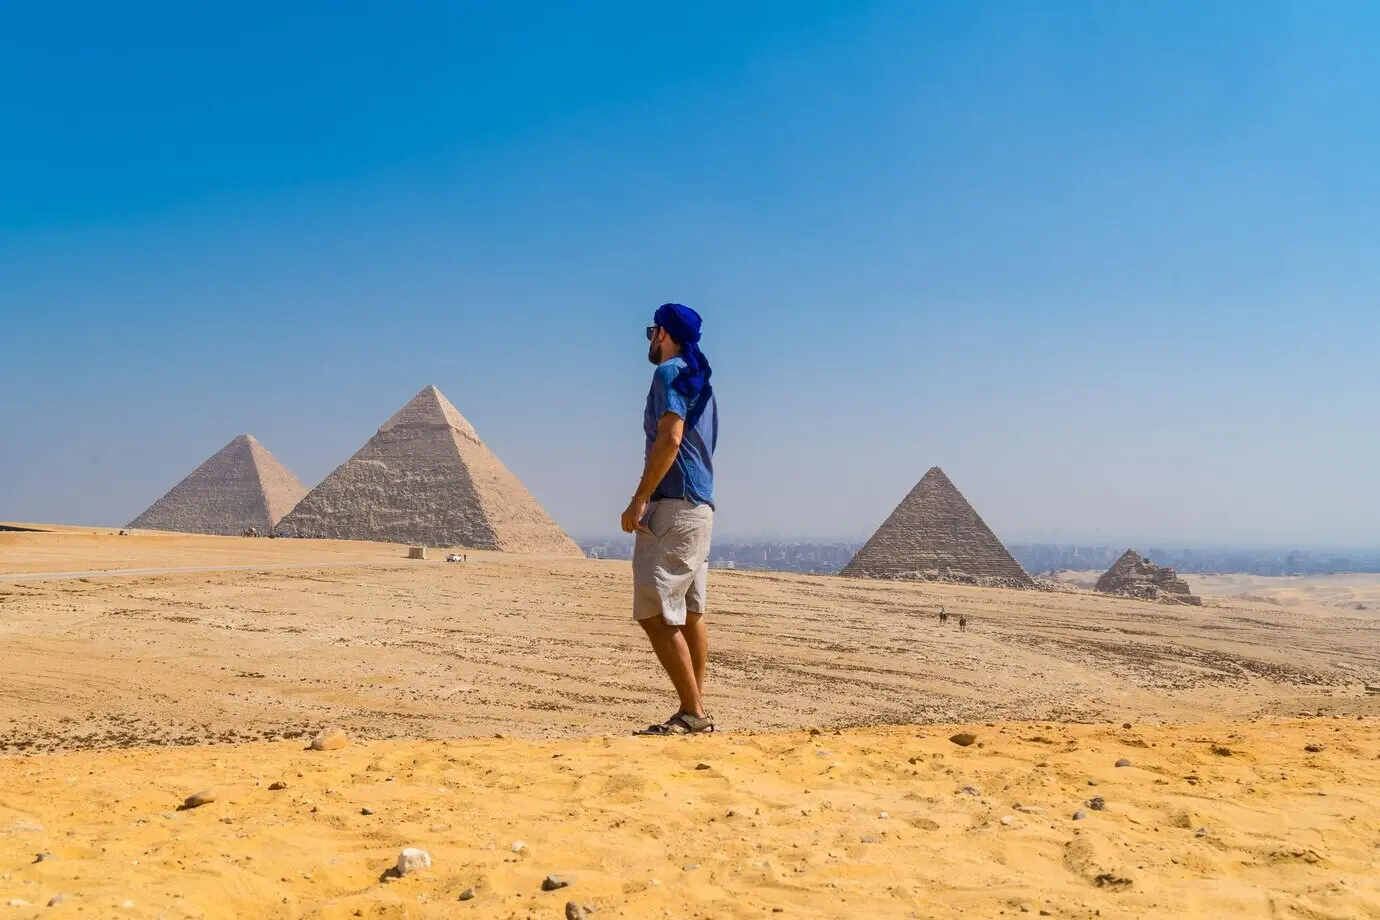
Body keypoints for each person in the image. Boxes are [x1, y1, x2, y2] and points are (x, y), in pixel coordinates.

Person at [621, 303, 719, 735]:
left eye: (650, 332)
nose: (650, 340)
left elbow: (671, 437)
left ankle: (692, 712)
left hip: (674, 505)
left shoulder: (669, 373)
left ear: (663, 333)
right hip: (700, 508)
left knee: (653, 612)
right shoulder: (702, 382)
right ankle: (694, 709)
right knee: (691, 613)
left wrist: (640, 497)